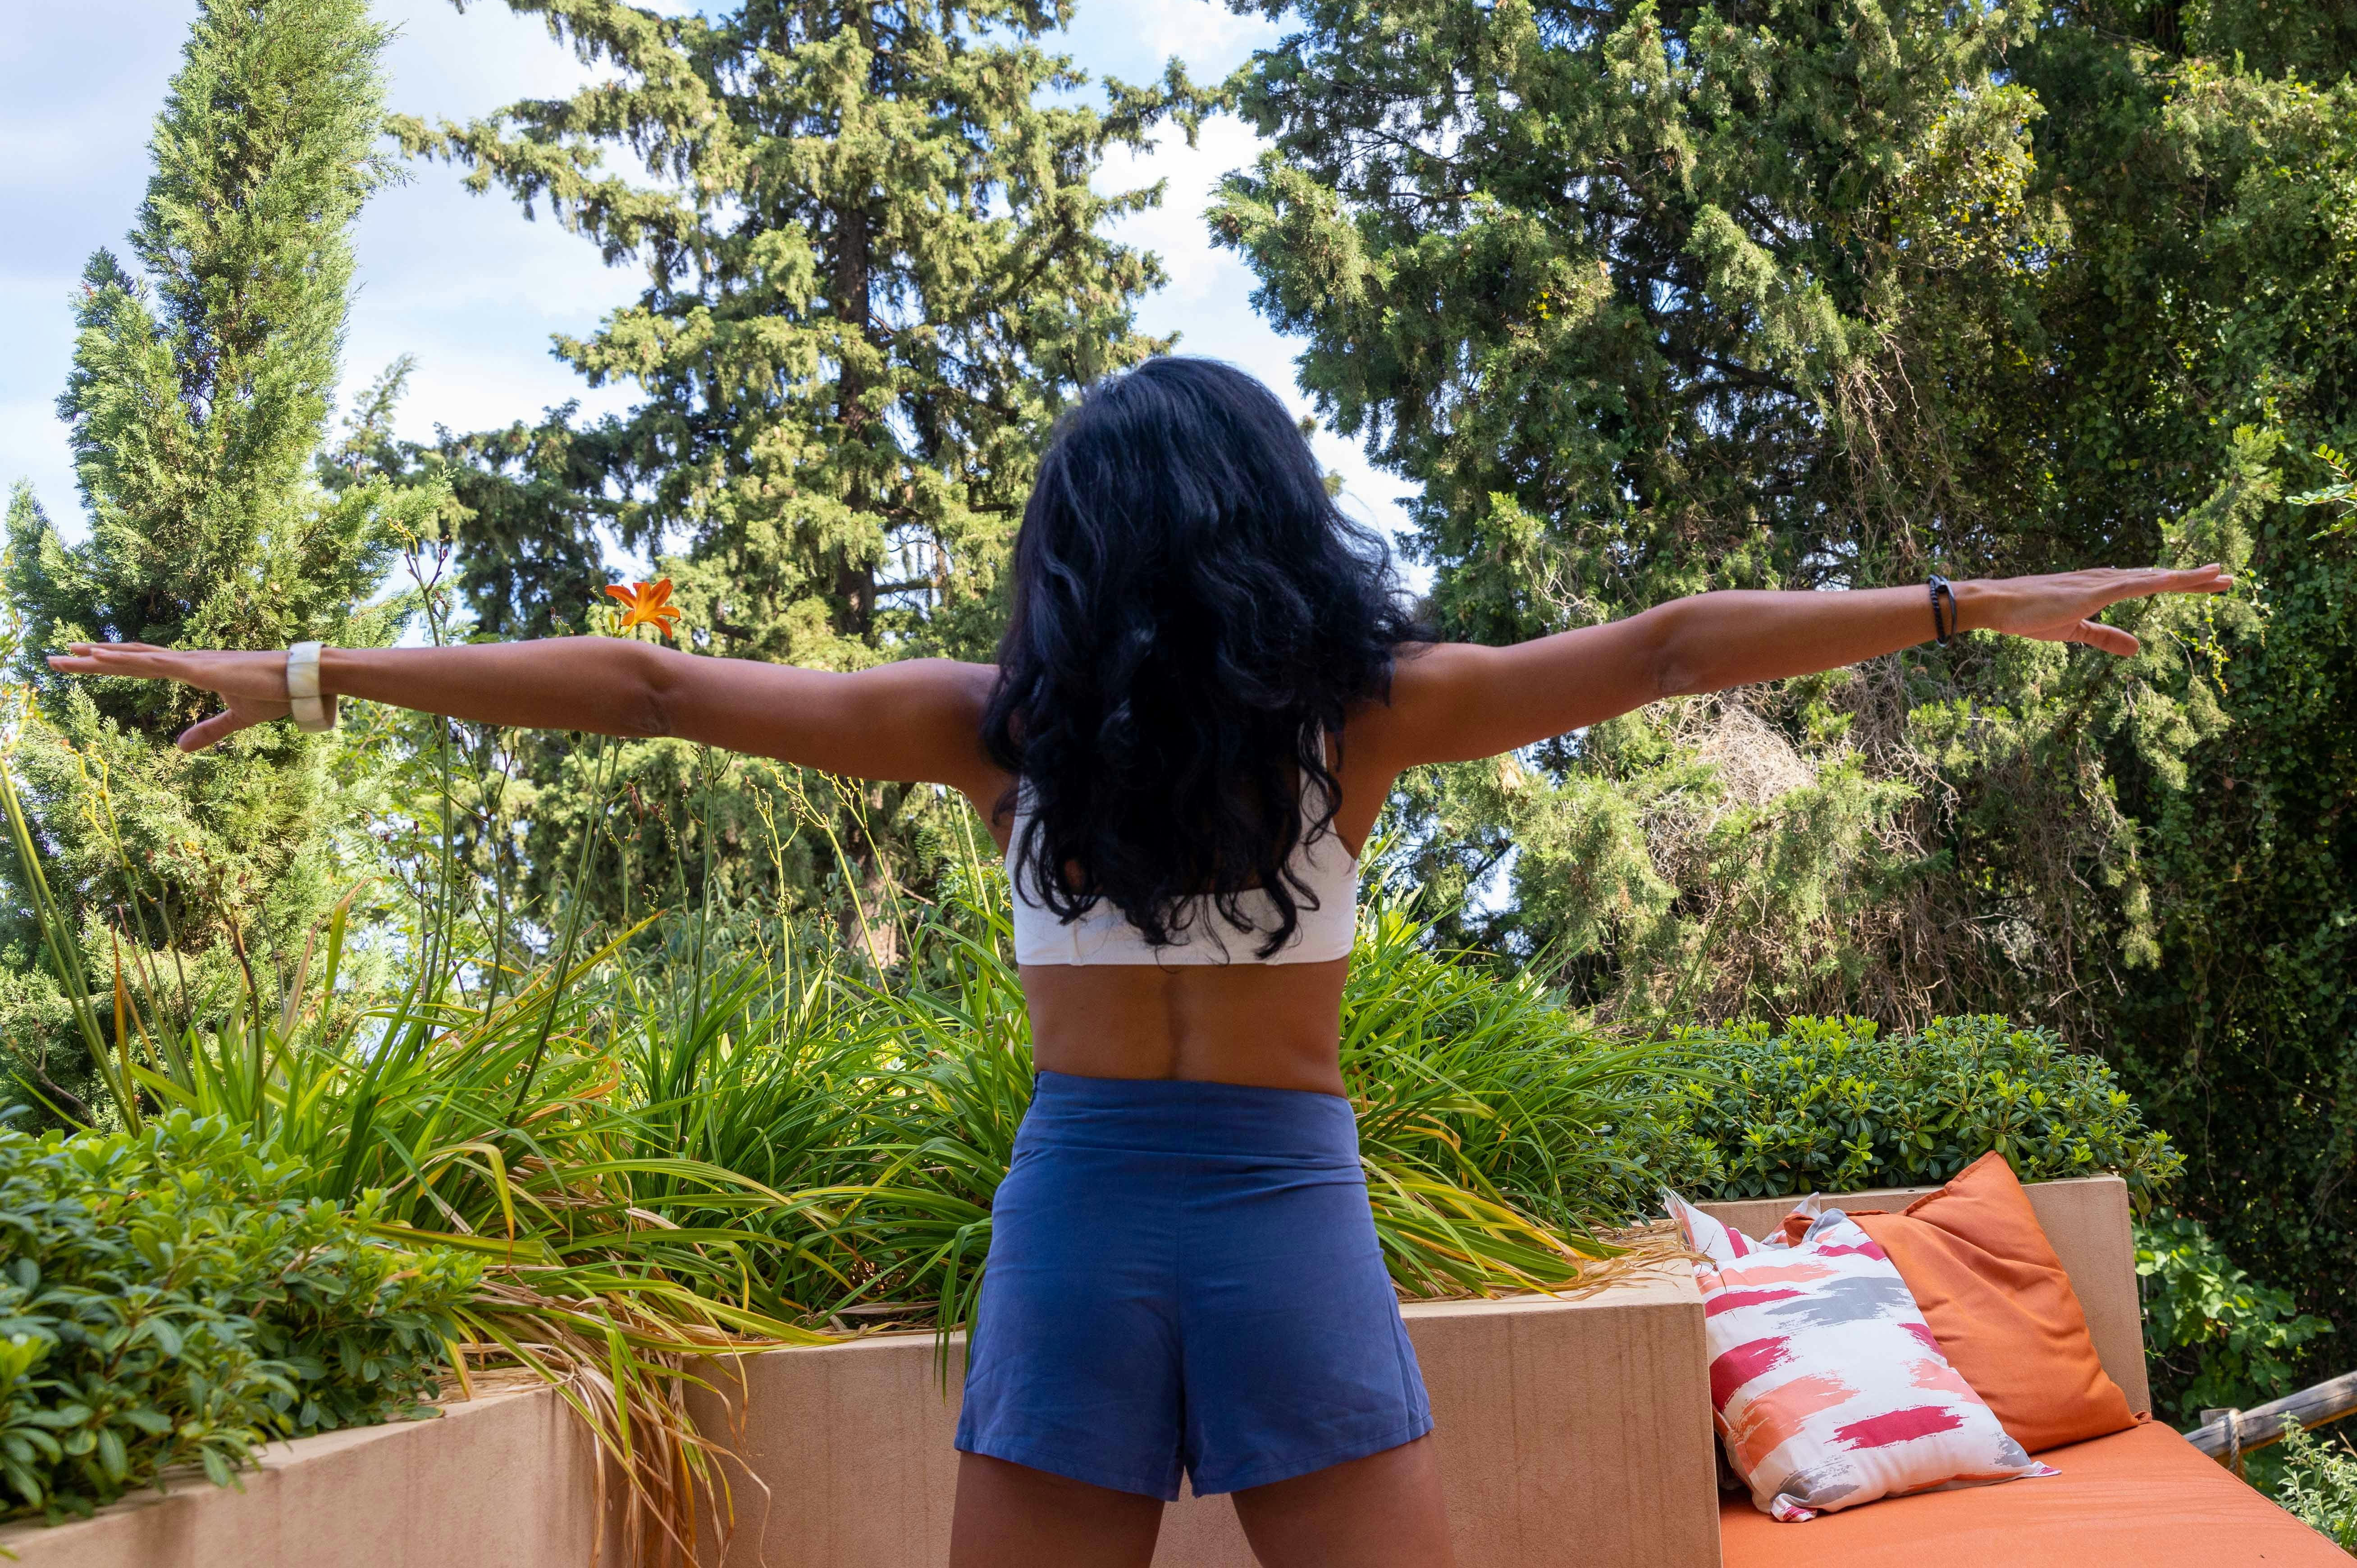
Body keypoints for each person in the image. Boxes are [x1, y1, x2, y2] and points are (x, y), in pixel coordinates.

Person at [48, 357, 2232, 1568]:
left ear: (1072, 543)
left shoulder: (988, 729)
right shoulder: (1363, 716)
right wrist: (1972, 606)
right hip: (1284, 1211)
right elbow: (1667, 650)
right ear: (1277, 517)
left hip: (1081, 1212)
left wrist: (307, 664)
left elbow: (650, 688)